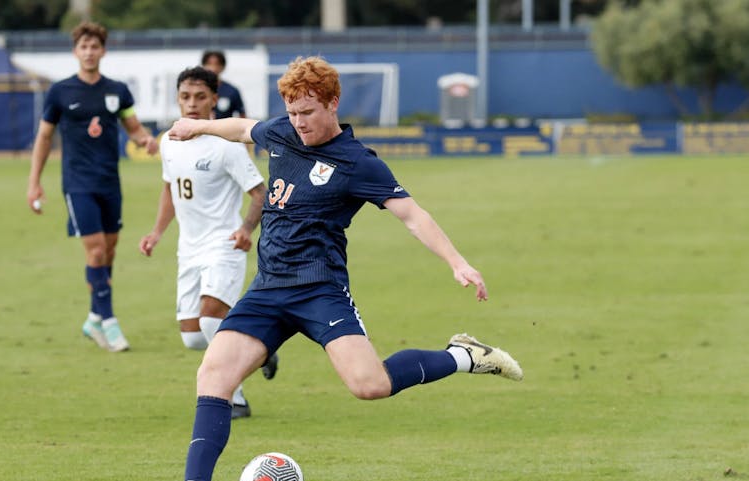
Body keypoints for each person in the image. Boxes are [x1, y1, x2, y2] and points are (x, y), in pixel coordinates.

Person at [168, 56, 524, 481]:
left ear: (333, 103)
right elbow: (244, 128)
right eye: (292, 112)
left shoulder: (358, 162)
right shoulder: (282, 132)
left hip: (320, 290)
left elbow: (412, 215)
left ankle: (464, 355)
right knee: (213, 375)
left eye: (308, 112)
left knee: (369, 385)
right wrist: (199, 126)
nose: (298, 122)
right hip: (267, 289)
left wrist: (457, 262)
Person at [137, 66, 273, 419]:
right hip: (189, 249)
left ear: (215, 99)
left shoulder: (226, 145)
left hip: (223, 244)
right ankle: (261, 348)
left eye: (200, 97)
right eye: (185, 96)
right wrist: (157, 231)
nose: (192, 104)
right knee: (193, 337)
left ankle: (236, 398)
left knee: (212, 322)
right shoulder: (169, 140)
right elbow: (171, 188)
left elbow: (261, 193)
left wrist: (246, 229)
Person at [27, 21, 158, 353]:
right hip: (77, 183)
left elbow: (133, 127)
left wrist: (147, 141)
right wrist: (34, 183)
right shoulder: (59, 92)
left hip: (110, 182)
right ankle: (110, 322)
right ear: (75, 52)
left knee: (109, 251)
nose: (89, 52)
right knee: (96, 250)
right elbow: (44, 137)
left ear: (103, 51)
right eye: (83, 47)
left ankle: (93, 318)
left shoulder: (117, 91)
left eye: (94, 47)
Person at [201, 50, 246, 119]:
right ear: (203, 66)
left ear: (223, 67)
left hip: (225, 129)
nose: (213, 68)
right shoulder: (197, 89)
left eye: (217, 64)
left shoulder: (232, 90)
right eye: (209, 64)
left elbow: (242, 115)